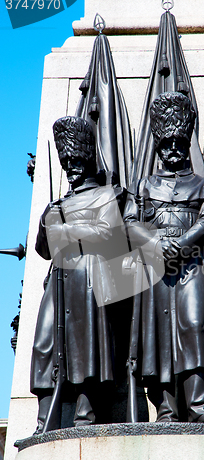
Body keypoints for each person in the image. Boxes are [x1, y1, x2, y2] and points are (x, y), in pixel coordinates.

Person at [123, 92, 204, 423]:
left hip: (193, 266)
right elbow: (128, 223)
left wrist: (179, 244)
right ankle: (165, 410)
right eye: (166, 144)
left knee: (195, 327)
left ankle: (198, 407)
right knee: (158, 336)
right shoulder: (145, 185)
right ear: (157, 144)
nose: (173, 150)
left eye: (180, 143)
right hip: (154, 268)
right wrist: (155, 242)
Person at [31, 116, 125, 432]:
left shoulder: (104, 196)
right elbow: (42, 248)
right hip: (57, 280)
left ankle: (86, 415)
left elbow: (109, 232)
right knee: (44, 345)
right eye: (66, 161)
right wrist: (48, 218)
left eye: (76, 161)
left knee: (86, 346)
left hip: (87, 278)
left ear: (86, 160)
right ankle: (45, 420)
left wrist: (67, 227)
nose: (71, 167)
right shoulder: (57, 203)